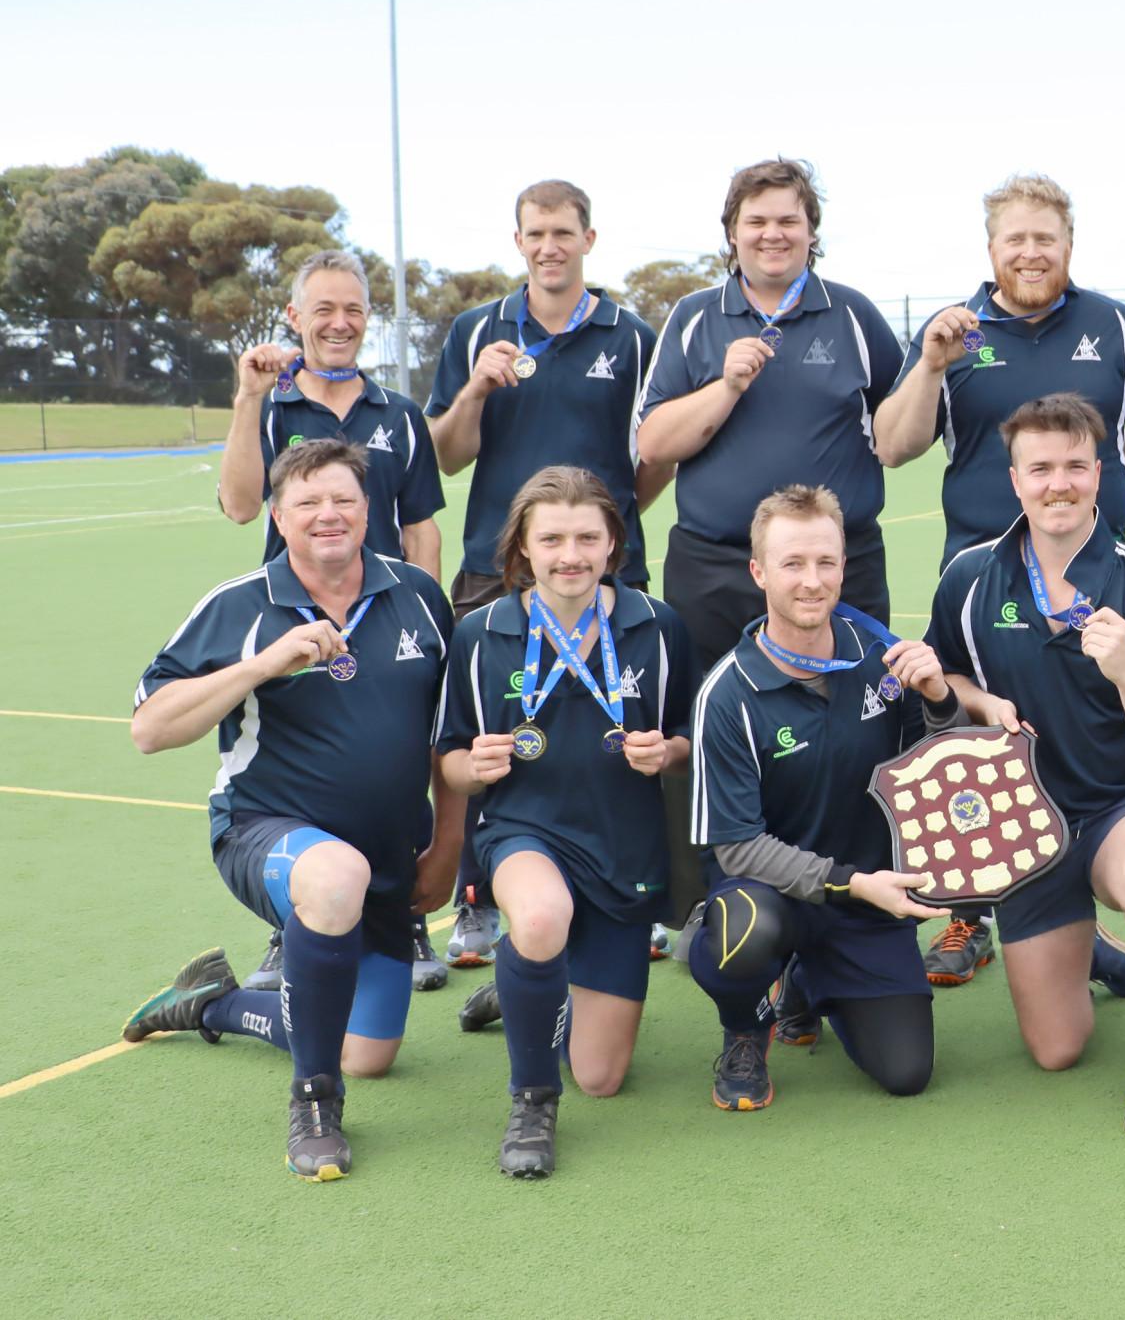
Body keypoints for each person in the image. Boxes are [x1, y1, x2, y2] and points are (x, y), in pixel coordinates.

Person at [122, 439, 461, 1181]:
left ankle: (214, 1003)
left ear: (369, 509)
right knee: (334, 876)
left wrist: (447, 846)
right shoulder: (241, 604)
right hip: (262, 832)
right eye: (307, 502)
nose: (328, 514)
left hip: (390, 858)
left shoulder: (420, 597)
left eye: (343, 498)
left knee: (367, 1053)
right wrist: (263, 662)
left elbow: (449, 737)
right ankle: (314, 1104)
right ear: (279, 515)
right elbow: (150, 728)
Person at [871, 173, 1125, 987]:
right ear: (991, 248)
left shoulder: (1114, 324)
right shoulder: (952, 334)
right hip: (980, 579)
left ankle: (1087, 926)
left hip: (1086, 578)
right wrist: (931, 367)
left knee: (1080, 749)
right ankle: (971, 915)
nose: (1031, 251)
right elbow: (893, 444)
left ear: (1069, 244)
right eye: (1016, 238)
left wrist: (1085, 495)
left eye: (1046, 236)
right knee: (972, 743)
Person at [926, 393, 1125, 1133]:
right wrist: (981, 701)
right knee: (1057, 1049)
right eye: (1041, 468)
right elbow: (947, 673)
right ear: (1015, 479)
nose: (1059, 484)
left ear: (1100, 473)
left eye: (1075, 467)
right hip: (1024, 827)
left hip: (1122, 806)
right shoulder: (968, 578)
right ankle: (1104, 954)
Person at [435, 467, 698, 1177]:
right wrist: (475, 764)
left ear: (614, 542)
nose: (570, 554)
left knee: (603, 1076)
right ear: (523, 545)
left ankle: (526, 982)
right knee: (543, 914)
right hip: (525, 830)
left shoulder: (657, 625)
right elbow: (450, 759)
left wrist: (665, 750)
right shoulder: (481, 633)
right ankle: (531, 1100)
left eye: (588, 536)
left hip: (622, 853)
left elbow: (685, 744)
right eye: (551, 538)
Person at [425, 180, 661, 968]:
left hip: (601, 570)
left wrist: (613, 526)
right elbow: (446, 456)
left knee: (618, 731)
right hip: (492, 572)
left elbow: (650, 457)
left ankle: (634, 890)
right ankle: (473, 902)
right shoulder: (474, 330)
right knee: (476, 742)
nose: (549, 245)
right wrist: (475, 389)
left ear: (590, 238)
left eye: (563, 231)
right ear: (518, 240)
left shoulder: (631, 336)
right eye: (535, 233)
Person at [217, 248, 449, 995]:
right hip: (293, 619)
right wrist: (247, 399)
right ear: (295, 317)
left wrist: (426, 622)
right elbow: (242, 505)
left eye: (353, 309)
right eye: (324, 309)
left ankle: (402, 913)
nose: (340, 322)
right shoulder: (274, 405)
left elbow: (422, 528)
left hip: (387, 616)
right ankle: (292, 926)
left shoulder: (401, 415)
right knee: (295, 766)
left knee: (397, 758)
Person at [689, 486, 966, 1109]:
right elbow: (736, 848)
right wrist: (851, 880)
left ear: (845, 565)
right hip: (773, 894)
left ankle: (807, 982)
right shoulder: (727, 694)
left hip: (868, 904)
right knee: (746, 933)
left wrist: (940, 701)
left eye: (826, 562)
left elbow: (938, 770)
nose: (811, 582)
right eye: (792, 564)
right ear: (759, 571)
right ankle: (743, 1028)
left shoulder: (881, 656)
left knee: (907, 1072)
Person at [635, 158, 905, 667]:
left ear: (811, 231)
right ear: (733, 233)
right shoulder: (692, 317)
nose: (772, 235)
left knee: (857, 715)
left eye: (788, 221)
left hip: (834, 568)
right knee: (713, 721)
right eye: (756, 222)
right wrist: (726, 387)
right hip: (715, 570)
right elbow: (653, 444)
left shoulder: (854, 314)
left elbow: (898, 435)